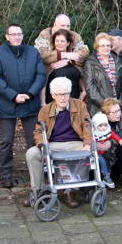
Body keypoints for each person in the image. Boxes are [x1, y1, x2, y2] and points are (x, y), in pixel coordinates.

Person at [0, 23, 47, 188]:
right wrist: (13, 96)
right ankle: (6, 175)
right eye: (13, 34)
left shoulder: (32, 52)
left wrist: (29, 94)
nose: (16, 37)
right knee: (6, 141)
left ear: (23, 35)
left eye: (19, 34)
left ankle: (35, 174)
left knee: (33, 140)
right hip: (7, 104)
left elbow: (41, 75)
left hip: (30, 103)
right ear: (7, 36)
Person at [25, 77, 91, 208]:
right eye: (59, 94)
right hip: (53, 144)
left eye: (66, 94)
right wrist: (42, 145)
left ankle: (70, 191)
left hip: (75, 142)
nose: (63, 98)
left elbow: (87, 126)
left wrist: (87, 144)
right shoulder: (45, 111)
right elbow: (38, 131)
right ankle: (38, 191)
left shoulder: (80, 105)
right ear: (52, 95)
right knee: (32, 153)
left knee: (88, 154)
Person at [84, 33, 122, 117]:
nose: (106, 48)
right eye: (102, 45)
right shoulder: (90, 63)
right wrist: (107, 106)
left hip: (117, 109)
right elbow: (90, 88)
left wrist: (119, 104)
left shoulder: (117, 60)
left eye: (108, 45)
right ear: (97, 47)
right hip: (98, 109)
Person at [44, 29, 86, 104]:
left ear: (68, 43)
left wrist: (84, 91)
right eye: (57, 41)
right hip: (54, 102)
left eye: (62, 41)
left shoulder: (73, 57)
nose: (59, 43)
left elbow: (79, 75)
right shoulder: (49, 59)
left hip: (74, 101)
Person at [100, 98, 122, 188]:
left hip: (118, 150)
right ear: (106, 114)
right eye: (114, 112)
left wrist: (112, 142)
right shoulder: (99, 122)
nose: (118, 114)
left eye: (119, 110)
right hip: (105, 152)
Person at [92, 112, 122, 188]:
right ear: (95, 126)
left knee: (108, 162)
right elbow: (90, 143)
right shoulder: (94, 134)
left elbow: (113, 135)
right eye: (100, 126)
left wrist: (119, 140)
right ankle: (105, 175)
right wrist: (93, 152)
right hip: (97, 152)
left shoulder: (108, 131)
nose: (103, 128)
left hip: (106, 152)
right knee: (102, 162)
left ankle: (107, 176)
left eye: (105, 125)